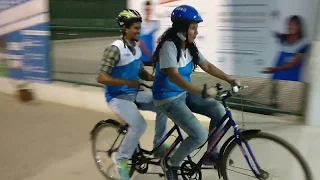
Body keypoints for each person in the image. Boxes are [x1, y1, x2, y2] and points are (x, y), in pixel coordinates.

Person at [151, 5, 239, 179]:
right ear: (182, 28)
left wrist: (230, 79)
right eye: (193, 28)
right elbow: (175, 77)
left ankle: (210, 154)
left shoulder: (190, 46)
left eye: (196, 28)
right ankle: (171, 164)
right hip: (168, 99)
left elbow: (207, 66)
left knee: (219, 111)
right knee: (199, 135)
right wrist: (203, 92)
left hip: (183, 95)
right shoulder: (169, 47)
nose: (196, 32)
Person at [96, 9, 169, 180]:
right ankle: (121, 158)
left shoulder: (136, 48)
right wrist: (127, 83)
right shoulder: (115, 49)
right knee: (139, 124)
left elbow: (140, 71)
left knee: (164, 105)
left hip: (135, 93)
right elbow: (101, 77)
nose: (139, 31)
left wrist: (155, 78)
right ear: (125, 29)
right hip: (118, 98)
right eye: (135, 28)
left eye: (139, 28)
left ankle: (158, 147)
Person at [262, 15, 310, 107]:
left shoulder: (304, 44)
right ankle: (273, 103)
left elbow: (294, 63)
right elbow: (273, 32)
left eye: (293, 25)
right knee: (274, 94)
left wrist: (275, 69)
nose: (290, 27)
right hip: (277, 75)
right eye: (289, 24)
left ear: (299, 26)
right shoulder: (283, 39)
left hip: (290, 76)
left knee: (288, 101)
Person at [139, 0, 160, 66]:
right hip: (143, 58)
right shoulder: (140, 25)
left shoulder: (156, 24)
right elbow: (141, 42)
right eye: (146, 9)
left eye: (149, 10)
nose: (148, 11)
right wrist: (149, 55)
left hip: (152, 58)